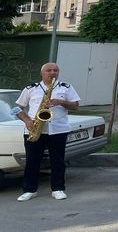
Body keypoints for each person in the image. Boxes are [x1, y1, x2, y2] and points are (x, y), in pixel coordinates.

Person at [14, 62, 80, 202]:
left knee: (57, 161)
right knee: (32, 161)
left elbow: (76, 106)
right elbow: (16, 109)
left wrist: (60, 102)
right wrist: (26, 120)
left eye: (55, 70)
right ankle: (30, 190)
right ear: (42, 73)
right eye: (49, 70)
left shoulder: (65, 88)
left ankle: (58, 189)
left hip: (58, 130)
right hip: (34, 129)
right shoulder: (31, 89)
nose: (52, 73)